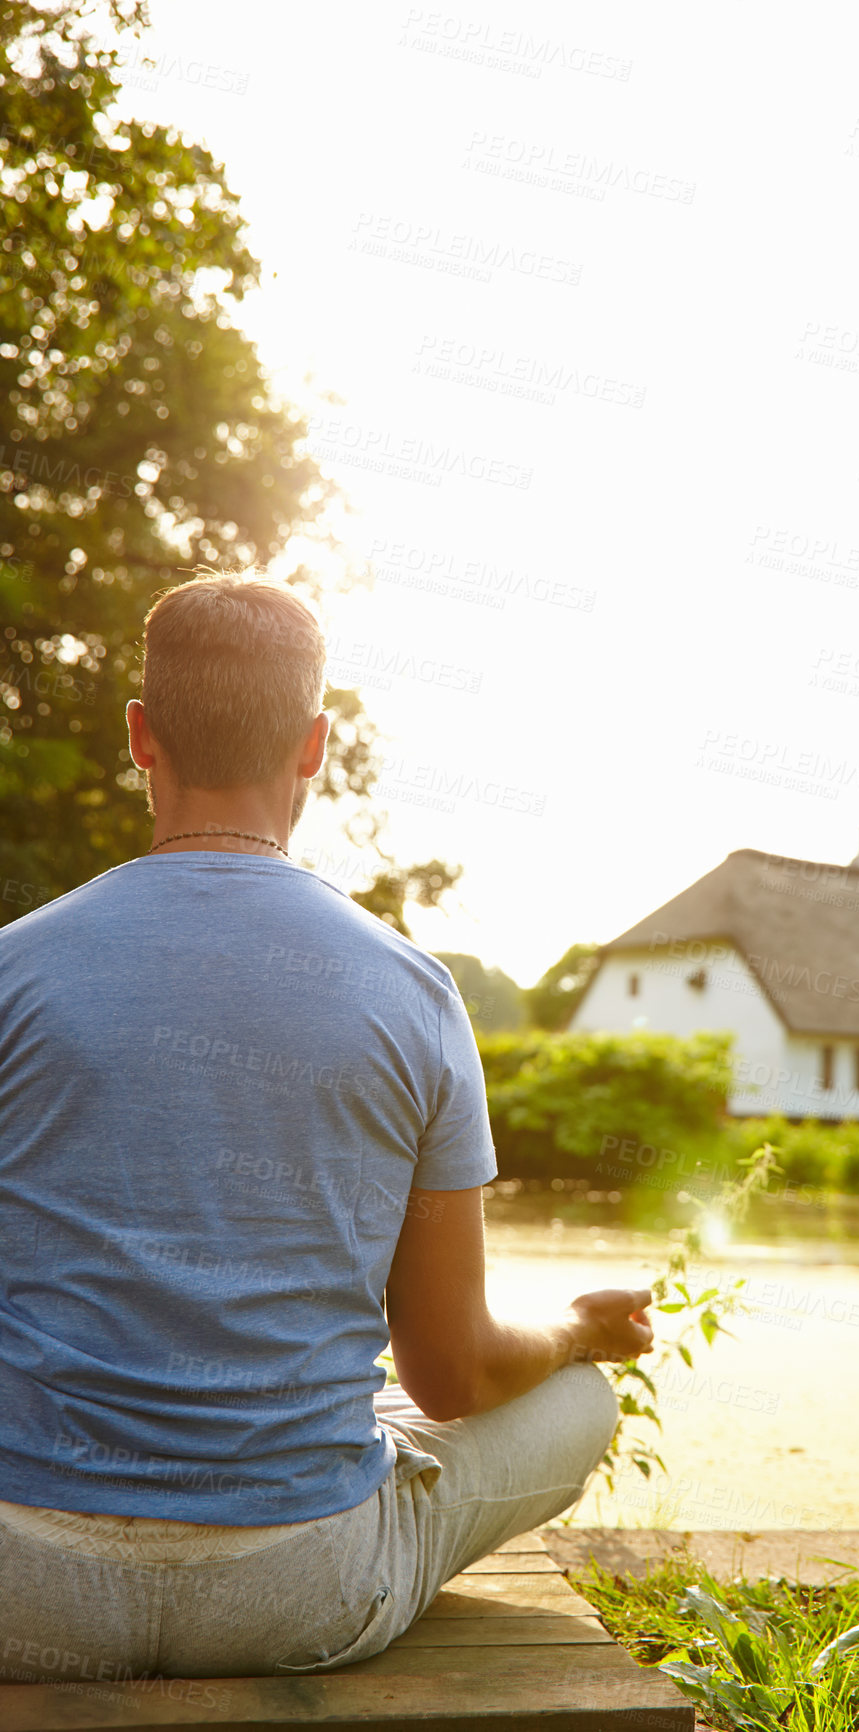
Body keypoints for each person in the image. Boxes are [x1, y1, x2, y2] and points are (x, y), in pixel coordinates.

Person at [0, 572, 654, 1681]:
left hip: (25, 1584)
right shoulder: (411, 991)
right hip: (295, 1589)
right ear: (312, 746)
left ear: (140, 737)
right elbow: (449, 1373)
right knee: (578, 1403)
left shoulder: (16, 967)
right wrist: (576, 1334)